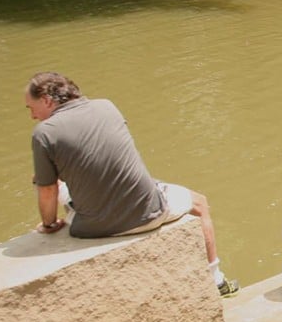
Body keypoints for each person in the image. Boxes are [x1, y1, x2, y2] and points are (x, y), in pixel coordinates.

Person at [24, 71, 238, 296]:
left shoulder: (43, 134)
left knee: (46, 180)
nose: (32, 116)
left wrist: (49, 224)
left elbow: (48, 190)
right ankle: (217, 281)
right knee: (200, 203)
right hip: (149, 213)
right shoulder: (107, 106)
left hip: (91, 228)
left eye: (31, 107)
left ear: (47, 100)